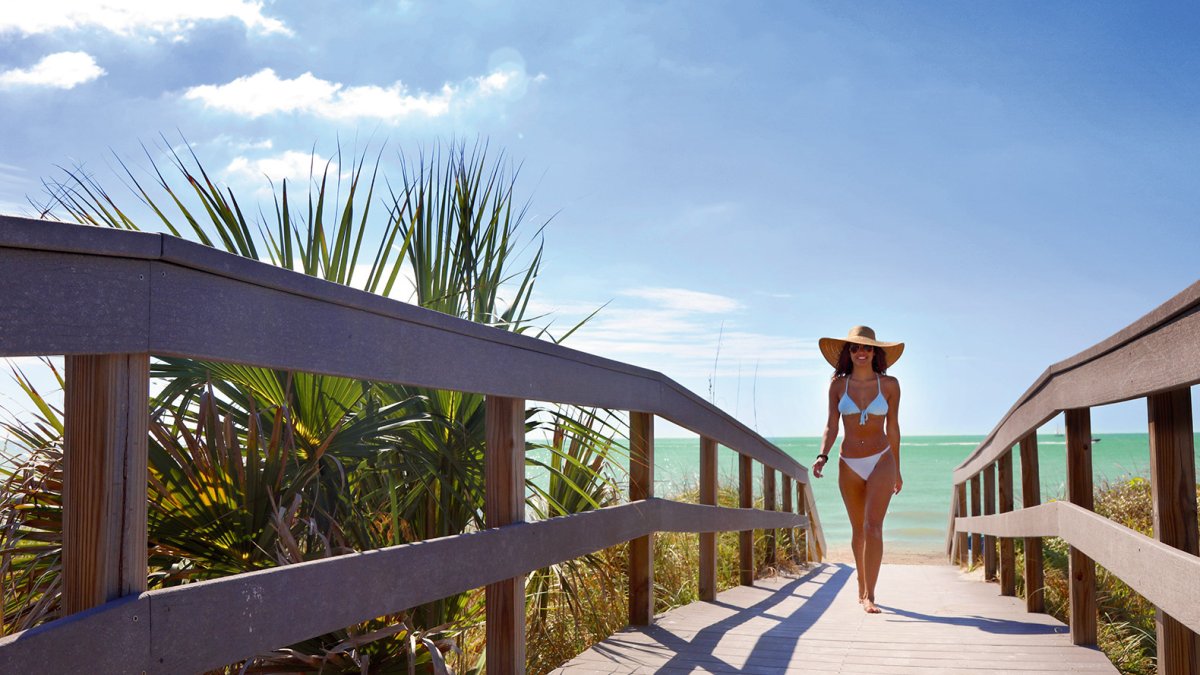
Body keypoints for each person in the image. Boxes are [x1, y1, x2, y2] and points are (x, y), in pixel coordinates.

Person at [812, 325, 903, 614]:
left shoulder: (889, 385)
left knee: (873, 527)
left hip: (881, 459)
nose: (861, 352)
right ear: (848, 354)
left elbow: (894, 427)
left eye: (866, 347)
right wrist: (822, 455)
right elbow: (831, 424)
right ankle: (861, 585)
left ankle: (870, 595)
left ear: (874, 352)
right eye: (855, 348)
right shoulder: (838, 386)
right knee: (858, 531)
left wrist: (897, 469)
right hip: (848, 462)